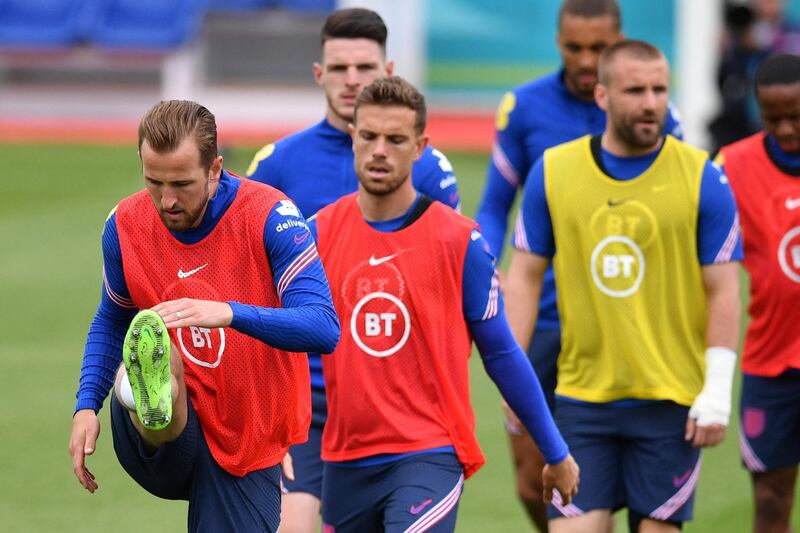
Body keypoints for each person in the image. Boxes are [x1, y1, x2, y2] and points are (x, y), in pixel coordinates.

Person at [309, 75, 578, 533]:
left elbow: (502, 352)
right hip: (344, 458)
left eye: (396, 139)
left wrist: (555, 451)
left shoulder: (459, 241)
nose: (379, 150)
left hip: (429, 452)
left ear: (419, 147)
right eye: (369, 136)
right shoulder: (318, 234)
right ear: (352, 138)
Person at [68, 100, 340, 532]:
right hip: (167, 440)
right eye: (153, 181)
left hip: (245, 437)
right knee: (160, 354)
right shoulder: (124, 224)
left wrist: (229, 313)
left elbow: (323, 325)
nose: (167, 199)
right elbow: (112, 317)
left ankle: (143, 388)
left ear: (215, 170)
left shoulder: (270, 216)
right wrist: (86, 405)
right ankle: (143, 394)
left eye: (182, 183)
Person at [506, 40, 742, 532]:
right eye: (635, 90)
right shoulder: (552, 172)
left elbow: (724, 290)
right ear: (603, 96)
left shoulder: (703, 177)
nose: (651, 102)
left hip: (670, 406)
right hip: (581, 400)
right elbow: (525, 277)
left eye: (659, 89)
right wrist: (514, 371)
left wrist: (717, 391)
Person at [245, 8, 460, 532]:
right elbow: (251, 283)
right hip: (305, 403)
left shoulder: (428, 171)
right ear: (320, 73)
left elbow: (448, 294)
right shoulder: (277, 165)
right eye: (339, 68)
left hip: (391, 406)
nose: (352, 80)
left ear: (386, 71)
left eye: (364, 67)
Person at [472, 2, 682, 528]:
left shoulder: (647, 111)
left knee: (631, 476)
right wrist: (482, 264)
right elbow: (497, 204)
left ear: (619, 40)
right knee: (530, 479)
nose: (587, 59)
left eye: (599, 47)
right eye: (574, 47)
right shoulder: (525, 107)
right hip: (541, 319)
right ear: (558, 40)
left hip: (620, 322)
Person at [717, 53, 800, 533]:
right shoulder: (733, 166)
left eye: (796, 117)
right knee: (771, 498)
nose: (786, 129)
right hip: (770, 362)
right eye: (774, 119)